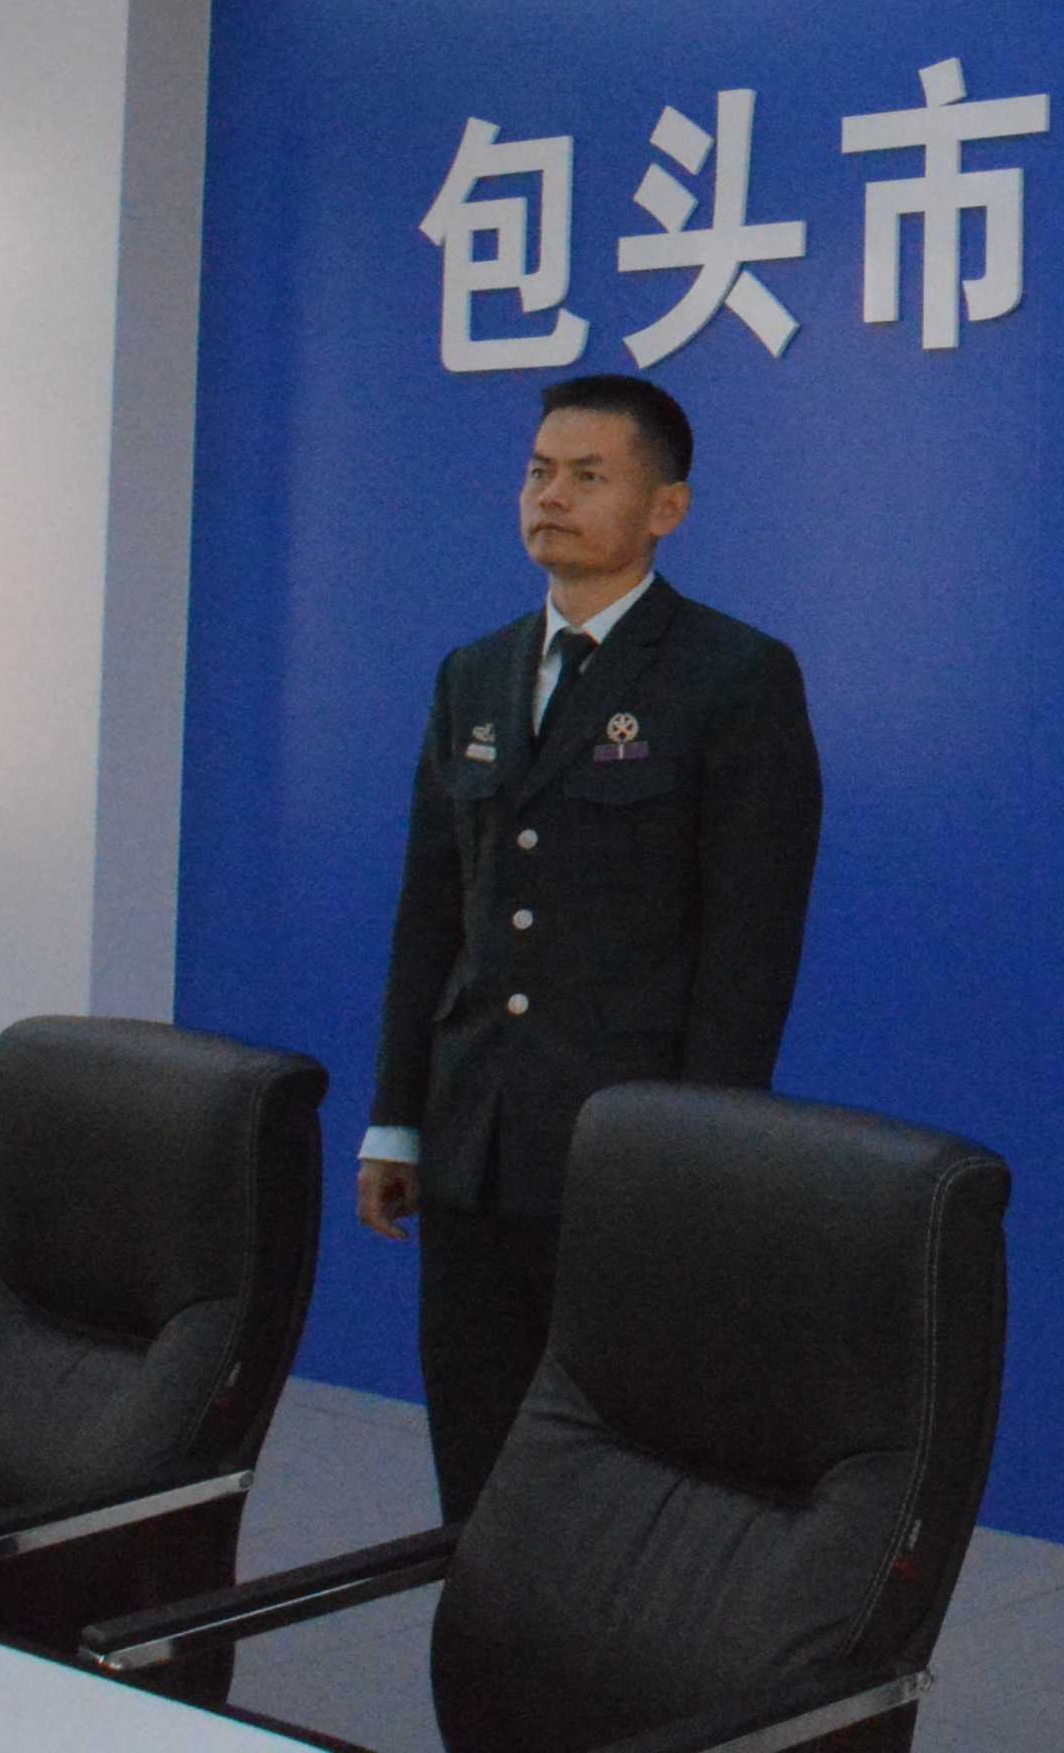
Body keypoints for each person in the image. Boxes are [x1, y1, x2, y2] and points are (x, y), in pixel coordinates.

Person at [356, 371, 824, 1520]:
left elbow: (750, 947)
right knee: (476, 1452)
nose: (550, 498)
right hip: (474, 1138)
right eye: (537, 472)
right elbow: (432, 914)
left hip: (625, 1145)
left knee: (614, 1461)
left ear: (666, 509)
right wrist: (397, 1117)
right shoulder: (474, 674)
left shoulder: (732, 675)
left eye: (586, 476)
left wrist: (701, 1153)